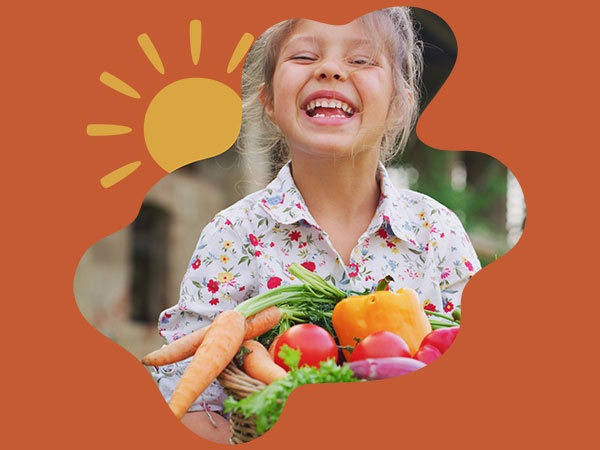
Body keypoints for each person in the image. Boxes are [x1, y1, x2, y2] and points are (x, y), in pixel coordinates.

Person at [150, 7, 481, 443]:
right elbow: (187, 395)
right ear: (268, 99)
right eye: (305, 57)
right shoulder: (232, 234)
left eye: (361, 61)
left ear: (399, 104)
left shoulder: (436, 231)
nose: (329, 70)